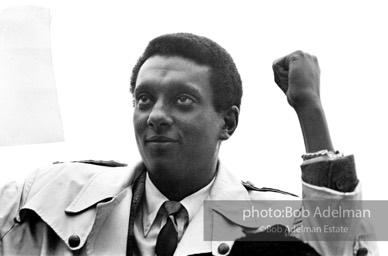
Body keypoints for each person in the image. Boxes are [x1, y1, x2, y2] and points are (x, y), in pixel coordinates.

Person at [0, 33, 376, 256]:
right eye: (144, 99)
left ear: (227, 123)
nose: (156, 115)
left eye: (183, 100)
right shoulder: (50, 193)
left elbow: (349, 247)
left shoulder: (277, 219)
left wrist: (309, 108)